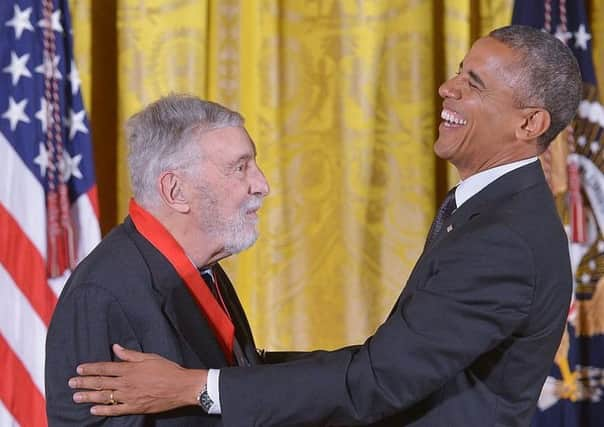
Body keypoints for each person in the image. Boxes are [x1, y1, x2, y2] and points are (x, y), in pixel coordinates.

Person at [67, 25, 582, 426]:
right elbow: (383, 365)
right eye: (458, 71)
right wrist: (240, 376)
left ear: (529, 124)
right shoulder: (491, 210)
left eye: (474, 84)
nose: (447, 88)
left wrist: (194, 386)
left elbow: (377, 381)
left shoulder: (503, 237)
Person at [45, 94, 271, 425]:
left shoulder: (203, 269)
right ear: (176, 192)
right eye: (240, 167)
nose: (261, 184)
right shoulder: (101, 294)